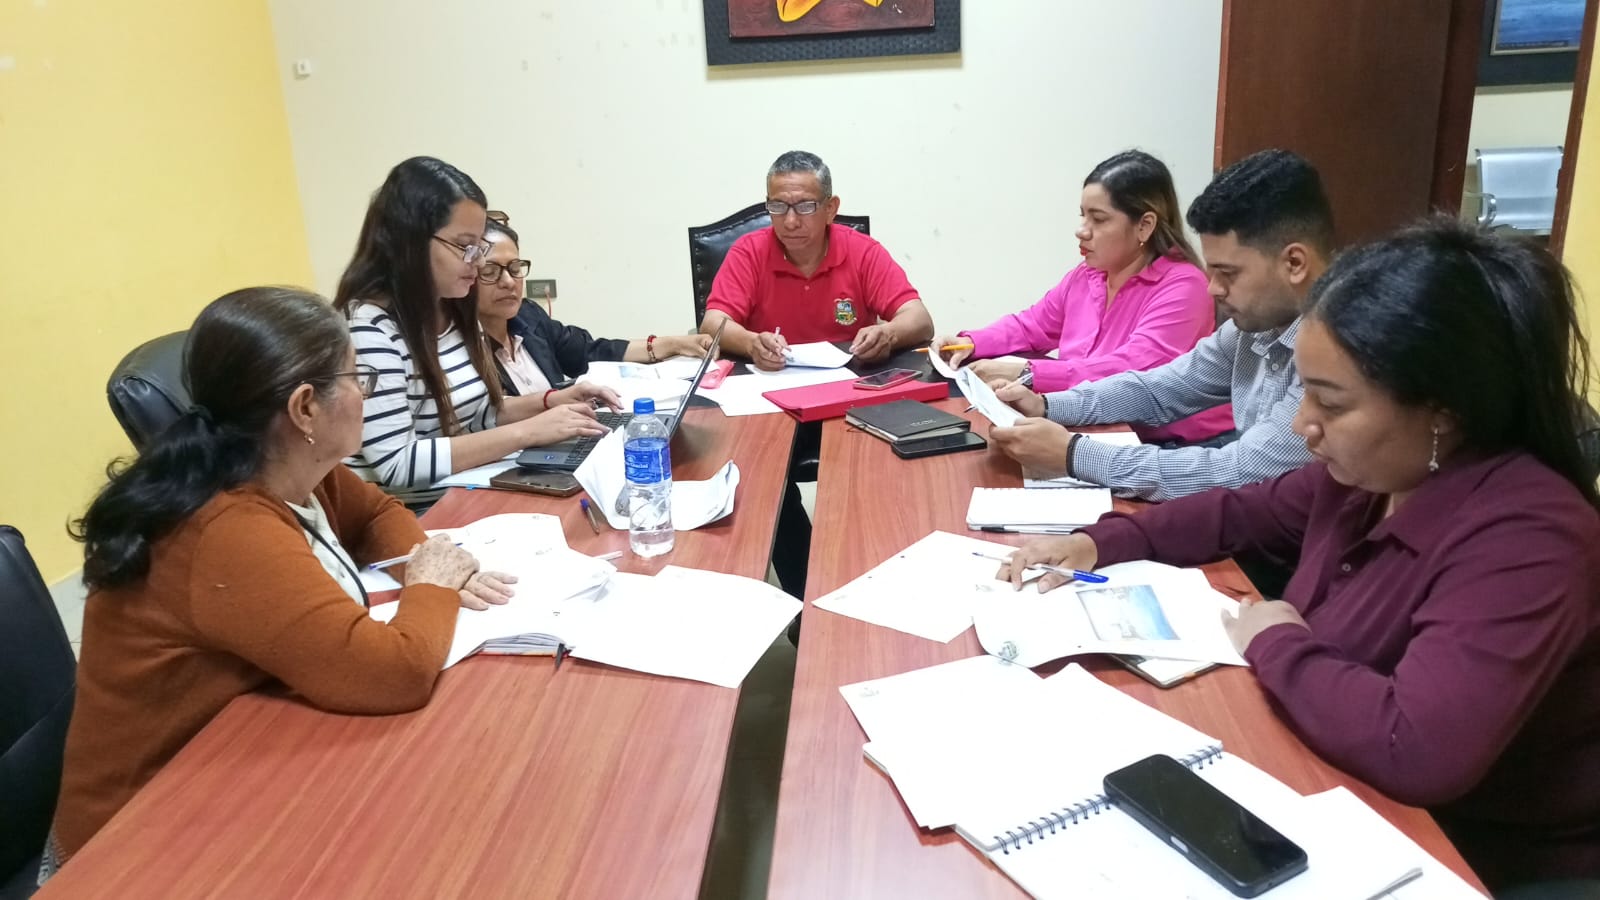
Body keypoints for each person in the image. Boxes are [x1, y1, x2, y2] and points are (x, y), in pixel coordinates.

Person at [1000, 220, 1600, 891]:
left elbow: (1417, 748)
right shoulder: (1369, 476)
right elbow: (1239, 512)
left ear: (1443, 412)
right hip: (1337, 784)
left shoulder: (1529, 535)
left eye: (1331, 403)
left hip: (1468, 856)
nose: (1301, 424)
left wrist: (1277, 639)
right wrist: (1100, 540)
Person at [48, 287, 510, 874]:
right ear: (305, 408)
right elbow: (391, 674)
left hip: (237, 764)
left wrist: (424, 560)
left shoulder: (286, 463)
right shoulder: (226, 527)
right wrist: (432, 586)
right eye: (357, 377)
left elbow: (375, 513)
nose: (367, 393)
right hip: (132, 842)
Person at [989, 149, 1332, 502]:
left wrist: (1073, 454)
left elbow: (1239, 471)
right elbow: (1161, 388)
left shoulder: (1337, 349)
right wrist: (1047, 406)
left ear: (1294, 263)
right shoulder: (1256, 325)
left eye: (1228, 273)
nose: (1213, 288)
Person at [337, 157, 617, 508]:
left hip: (467, 493)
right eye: (464, 246)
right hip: (413, 514)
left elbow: (478, 414)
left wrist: (550, 400)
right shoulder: (368, 327)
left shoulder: (452, 307)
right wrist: (528, 431)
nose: (479, 261)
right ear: (411, 243)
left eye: (479, 247)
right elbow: (398, 464)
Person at [931, 150, 1231, 444]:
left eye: (1098, 220)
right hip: (1093, 424)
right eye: (1083, 216)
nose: (1081, 231)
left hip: (1171, 445)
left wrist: (1029, 373)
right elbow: (1032, 325)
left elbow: (1134, 372)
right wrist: (971, 342)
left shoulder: (1185, 286)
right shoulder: (1088, 274)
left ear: (1144, 226)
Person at [699, 150, 935, 370]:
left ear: (830, 208)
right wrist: (751, 343)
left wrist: (888, 334)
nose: (790, 222)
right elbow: (712, 323)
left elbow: (920, 319)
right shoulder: (749, 252)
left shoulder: (862, 251)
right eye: (778, 206)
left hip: (849, 381)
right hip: (770, 380)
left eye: (805, 207)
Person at [476, 217, 712, 395]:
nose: (508, 282)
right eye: (490, 271)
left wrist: (674, 344)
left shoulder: (528, 316)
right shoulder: (461, 352)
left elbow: (590, 351)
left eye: (515, 269)